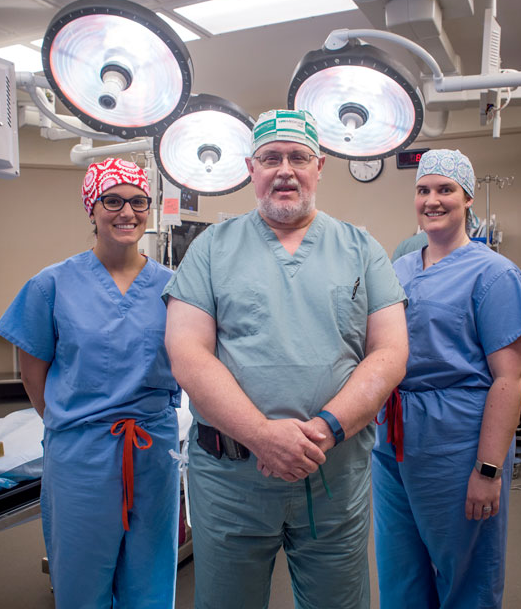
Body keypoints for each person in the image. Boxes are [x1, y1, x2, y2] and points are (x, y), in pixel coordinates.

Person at [164, 109, 408, 609]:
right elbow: (187, 354)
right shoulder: (211, 248)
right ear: (251, 169)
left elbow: (390, 352)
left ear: (319, 166)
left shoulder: (361, 249)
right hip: (233, 478)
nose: (285, 169)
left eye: (298, 157)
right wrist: (261, 435)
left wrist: (327, 427)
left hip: (333, 475)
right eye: (270, 158)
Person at [0, 158, 181, 608]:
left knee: (151, 574)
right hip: (81, 453)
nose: (127, 212)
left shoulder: (174, 287)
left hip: (152, 449)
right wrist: (76, 421)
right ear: (91, 209)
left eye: (138, 202)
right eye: (112, 200)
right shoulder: (51, 285)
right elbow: (34, 376)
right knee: (80, 576)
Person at [372, 149, 521, 609]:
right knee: (399, 569)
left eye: (445, 189)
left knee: (465, 572)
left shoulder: (495, 273)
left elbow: (512, 375)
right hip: (392, 439)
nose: (432, 200)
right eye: (423, 190)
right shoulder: (397, 270)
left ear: (467, 199)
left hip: (457, 440)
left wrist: (488, 469)